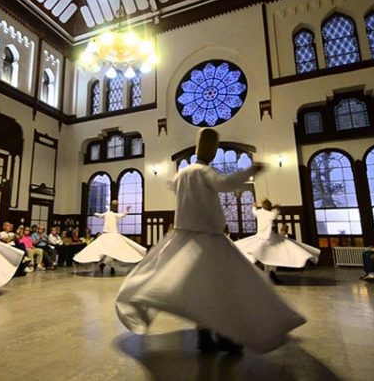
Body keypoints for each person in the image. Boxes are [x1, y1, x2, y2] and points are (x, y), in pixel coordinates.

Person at [115, 128, 305, 354]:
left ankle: (206, 336)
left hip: (184, 237)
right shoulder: (203, 172)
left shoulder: (184, 173)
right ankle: (224, 336)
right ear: (210, 150)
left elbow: (172, 184)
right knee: (221, 288)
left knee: (200, 289)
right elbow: (225, 184)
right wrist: (252, 169)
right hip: (207, 238)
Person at [235, 200, 319, 284]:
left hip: (261, 237)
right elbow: (275, 213)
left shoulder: (259, 212)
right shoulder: (271, 214)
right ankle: (269, 273)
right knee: (274, 254)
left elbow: (254, 211)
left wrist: (254, 205)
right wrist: (277, 208)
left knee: (261, 254)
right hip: (270, 239)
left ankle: (264, 273)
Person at [74, 201, 146, 275]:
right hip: (109, 235)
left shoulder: (112, 214)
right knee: (111, 252)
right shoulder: (109, 214)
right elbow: (102, 215)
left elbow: (120, 215)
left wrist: (126, 210)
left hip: (111, 235)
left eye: (116, 205)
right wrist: (95, 213)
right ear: (112, 206)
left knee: (111, 252)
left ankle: (110, 267)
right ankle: (105, 265)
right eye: (114, 205)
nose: (115, 206)